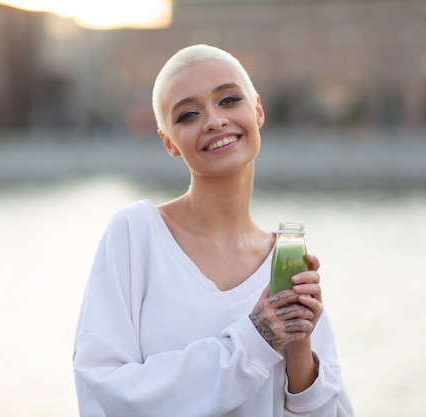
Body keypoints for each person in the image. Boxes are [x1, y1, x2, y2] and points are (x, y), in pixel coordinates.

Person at [73, 44, 354, 417]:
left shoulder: (285, 260)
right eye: (188, 114)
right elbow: (105, 394)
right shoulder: (136, 235)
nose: (214, 121)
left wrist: (299, 347)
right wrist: (257, 339)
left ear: (257, 110)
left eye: (228, 100)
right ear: (169, 141)